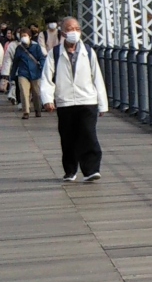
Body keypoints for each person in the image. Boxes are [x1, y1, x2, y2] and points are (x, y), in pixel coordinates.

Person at [40, 17, 108, 182]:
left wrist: (102, 104)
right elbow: (47, 78)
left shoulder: (88, 51)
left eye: (77, 29)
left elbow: (97, 78)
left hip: (87, 100)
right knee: (68, 137)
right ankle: (70, 170)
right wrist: (47, 99)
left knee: (88, 134)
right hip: (65, 101)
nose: (74, 32)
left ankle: (91, 170)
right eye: (70, 29)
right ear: (63, 32)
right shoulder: (55, 53)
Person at [11, 30, 45, 119]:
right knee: (24, 92)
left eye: (25, 35)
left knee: (36, 93)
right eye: (22, 36)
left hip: (35, 73)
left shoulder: (36, 47)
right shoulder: (19, 48)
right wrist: (12, 75)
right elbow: (15, 62)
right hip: (23, 73)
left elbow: (41, 58)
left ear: (30, 36)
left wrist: (42, 67)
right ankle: (26, 111)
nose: (23, 37)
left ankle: (38, 109)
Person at [0, 30, 17, 104]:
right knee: (13, 82)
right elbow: (7, 58)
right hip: (13, 66)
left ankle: (15, 96)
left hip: (25, 67)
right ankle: (13, 96)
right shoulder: (10, 44)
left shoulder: (33, 44)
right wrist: (5, 72)